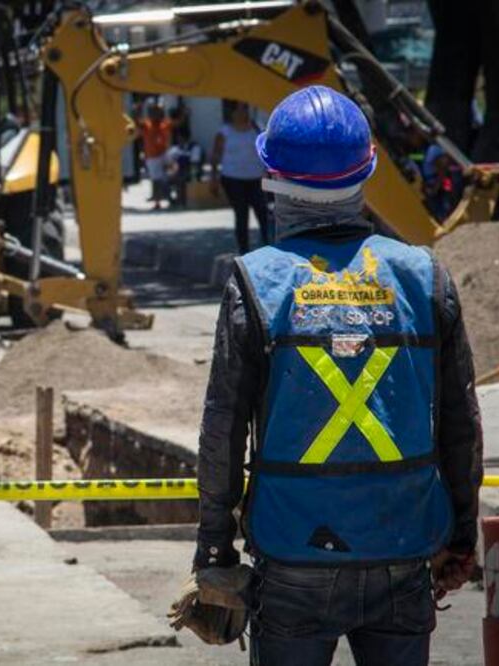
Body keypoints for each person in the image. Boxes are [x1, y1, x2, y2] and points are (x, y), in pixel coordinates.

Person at [192, 86, 482, 666]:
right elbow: (460, 420)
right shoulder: (423, 276)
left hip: (293, 551)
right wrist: (460, 538)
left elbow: (222, 427)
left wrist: (215, 547)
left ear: (271, 176)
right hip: (403, 546)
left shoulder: (256, 281)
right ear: (366, 172)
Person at [210, 102, 270, 254]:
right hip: (233, 178)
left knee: (263, 213)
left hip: (255, 179)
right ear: (233, 113)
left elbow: (265, 154)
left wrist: (268, 174)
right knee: (241, 214)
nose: (245, 112)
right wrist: (213, 178)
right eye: (241, 108)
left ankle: (269, 246)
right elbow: (216, 155)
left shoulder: (257, 130)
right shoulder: (224, 132)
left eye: (246, 108)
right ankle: (244, 250)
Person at [138, 102, 173, 210]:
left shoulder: (165, 124)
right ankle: (157, 201)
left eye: (158, 111)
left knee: (173, 171)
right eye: (154, 112)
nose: (156, 114)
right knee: (156, 180)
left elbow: (178, 123)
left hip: (164, 154)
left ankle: (170, 196)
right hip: (152, 157)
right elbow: (137, 122)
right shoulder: (146, 125)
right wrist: (137, 110)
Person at [166, 128, 203, 209]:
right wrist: (172, 169)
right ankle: (173, 201)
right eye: (178, 138)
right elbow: (169, 162)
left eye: (181, 137)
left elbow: (195, 163)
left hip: (191, 170)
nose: (179, 139)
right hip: (177, 171)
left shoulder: (194, 147)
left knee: (181, 178)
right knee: (164, 180)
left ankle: (182, 201)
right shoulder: (175, 149)